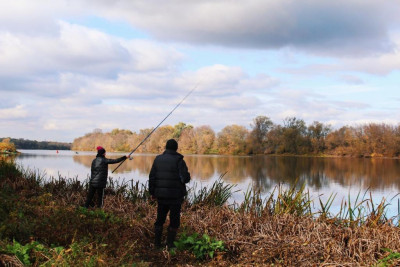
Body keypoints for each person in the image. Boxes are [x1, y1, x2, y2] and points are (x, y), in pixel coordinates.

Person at [149, 139, 191, 248]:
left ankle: (157, 244)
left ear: (166, 147)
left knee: (160, 219)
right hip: (175, 197)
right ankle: (170, 244)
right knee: (174, 220)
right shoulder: (179, 160)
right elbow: (185, 179)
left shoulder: (157, 159)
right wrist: (187, 175)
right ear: (176, 148)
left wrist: (152, 193)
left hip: (161, 196)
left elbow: (152, 177)